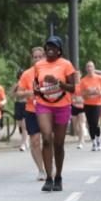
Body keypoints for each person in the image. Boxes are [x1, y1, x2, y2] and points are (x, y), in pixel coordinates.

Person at [32, 36, 77, 192]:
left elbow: (72, 88)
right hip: (44, 104)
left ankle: (58, 177)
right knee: (46, 139)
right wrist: (36, 90)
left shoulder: (66, 65)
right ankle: (49, 179)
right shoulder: (39, 65)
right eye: (47, 46)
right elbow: (35, 85)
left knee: (58, 144)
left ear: (59, 50)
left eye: (53, 46)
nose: (50, 49)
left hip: (62, 105)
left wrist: (57, 83)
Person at [16, 46, 47, 180]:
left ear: (44, 57)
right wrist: (30, 92)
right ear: (32, 59)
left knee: (48, 140)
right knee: (34, 141)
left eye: (40, 56)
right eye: (35, 57)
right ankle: (41, 170)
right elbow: (18, 94)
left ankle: (49, 165)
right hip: (32, 111)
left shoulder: (51, 72)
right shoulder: (26, 74)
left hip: (48, 111)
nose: (38, 59)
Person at [79, 61, 101, 151]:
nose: (89, 68)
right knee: (90, 124)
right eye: (88, 67)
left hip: (97, 103)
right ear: (86, 69)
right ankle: (94, 142)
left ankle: (99, 140)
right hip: (87, 104)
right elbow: (81, 93)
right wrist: (87, 92)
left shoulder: (99, 78)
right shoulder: (83, 80)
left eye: (91, 66)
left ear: (94, 68)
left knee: (95, 122)